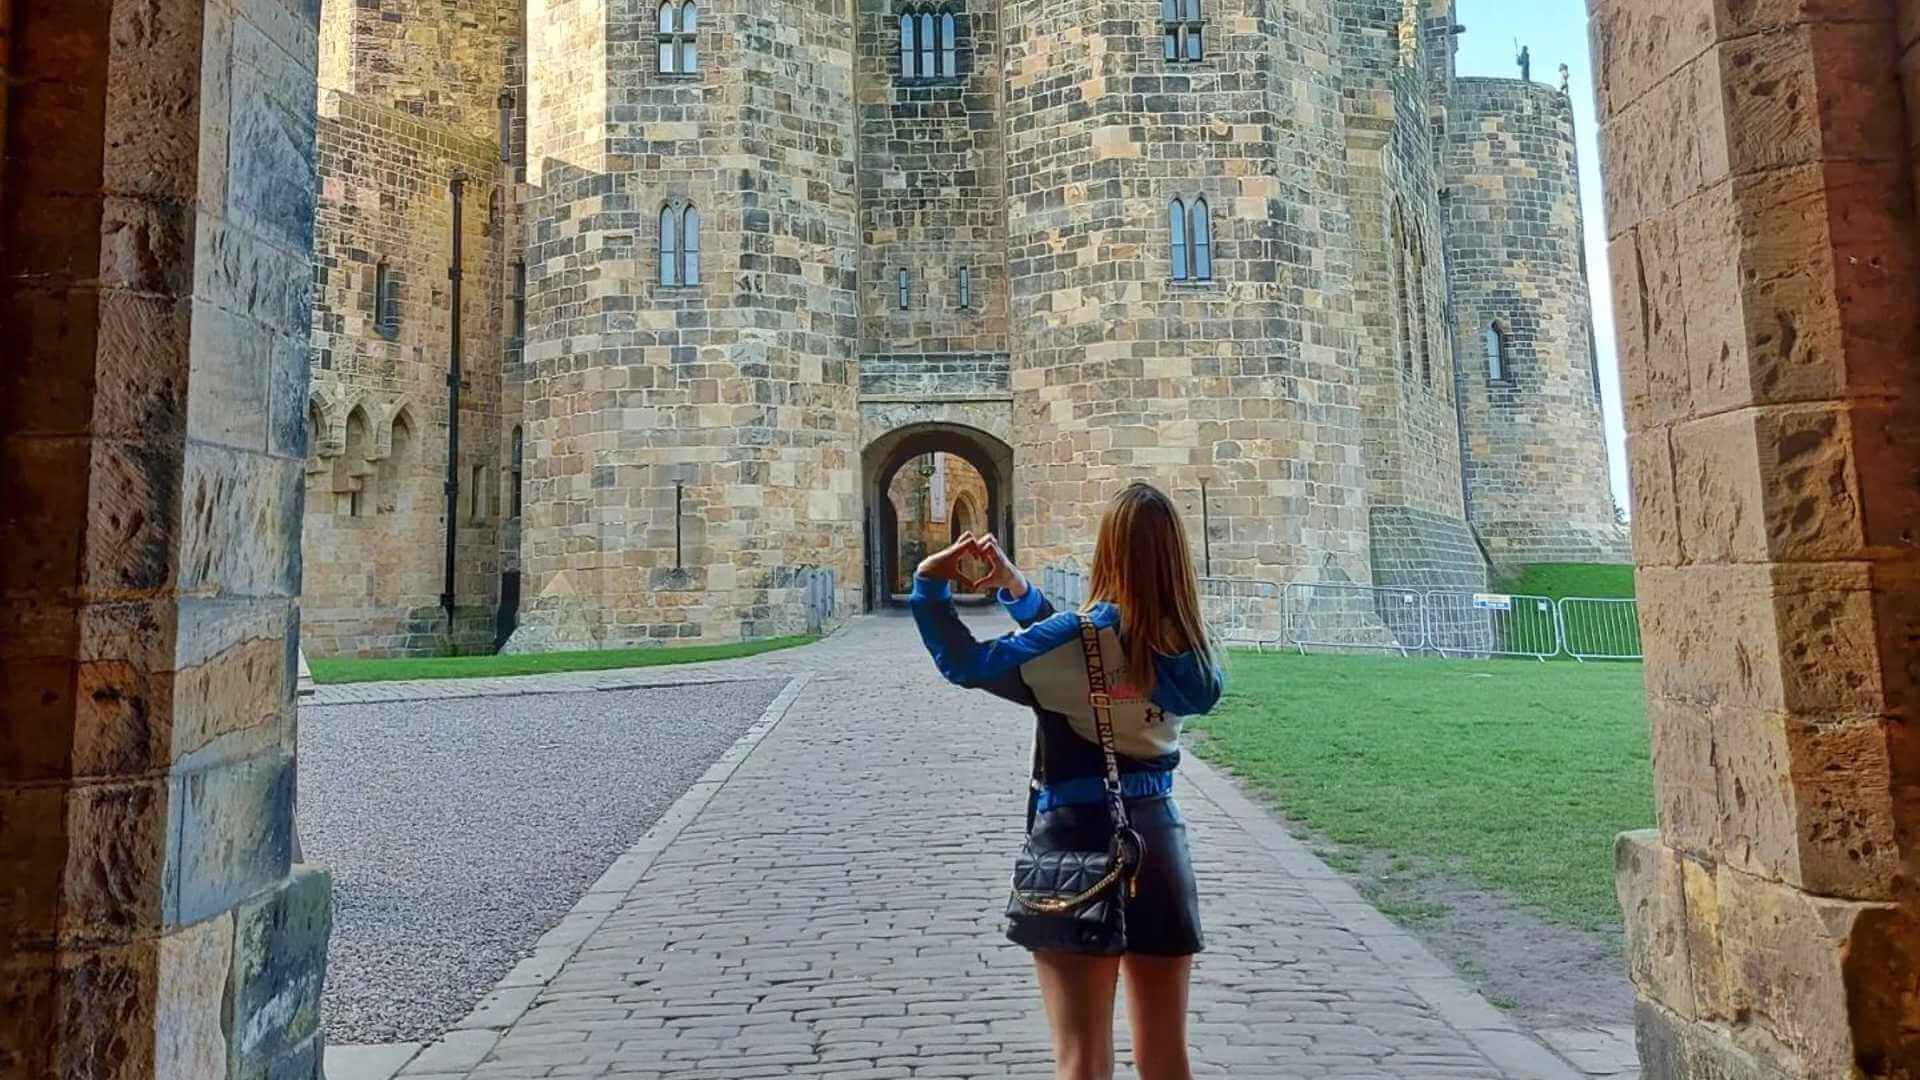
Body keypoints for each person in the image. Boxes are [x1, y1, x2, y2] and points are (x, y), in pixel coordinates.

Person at [908, 482, 1226, 1080]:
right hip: (1156, 842)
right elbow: (1088, 646)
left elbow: (972, 662)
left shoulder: (1073, 645)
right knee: (1165, 1057)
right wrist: (1018, 589)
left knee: (1081, 1059)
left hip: (1075, 842)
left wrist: (929, 583)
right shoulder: (1189, 654)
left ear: (1105, 553)